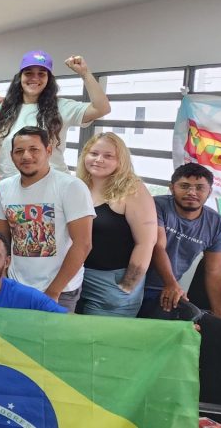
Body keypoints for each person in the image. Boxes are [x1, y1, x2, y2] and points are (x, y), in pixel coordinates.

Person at [0, 52, 111, 216]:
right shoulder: (3, 110)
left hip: (51, 192)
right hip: (11, 191)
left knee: (49, 233)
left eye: (41, 74)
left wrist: (85, 73)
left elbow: (102, 108)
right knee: (11, 233)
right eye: (29, 73)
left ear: (48, 79)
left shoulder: (60, 107)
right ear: (20, 77)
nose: (34, 78)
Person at [0, 127, 95, 312]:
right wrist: (4, 276)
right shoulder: (4, 187)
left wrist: (53, 291)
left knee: (53, 332)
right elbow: (1, 239)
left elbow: (83, 244)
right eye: (19, 151)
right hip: (16, 285)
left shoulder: (71, 187)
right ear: (12, 155)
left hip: (60, 290)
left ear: (48, 151)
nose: (26, 156)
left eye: (34, 149)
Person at [75, 133, 157, 317]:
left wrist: (127, 286)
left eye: (108, 156)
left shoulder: (132, 188)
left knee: (98, 334)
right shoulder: (78, 185)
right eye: (94, 153)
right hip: (76, 277)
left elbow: (146, 242)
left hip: (111, 284)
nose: (99, 159)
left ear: (121, 161)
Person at [139, 163, 221, 321]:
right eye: (184, 186)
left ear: (209, 191)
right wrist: (171, 284)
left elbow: (214, 269)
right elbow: (157, 246)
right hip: (133, 281)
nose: (192, 192)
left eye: (200, 188)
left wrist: (219, 312)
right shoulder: (155, 205)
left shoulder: (217, 224)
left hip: (164, 290)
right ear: (172, 188)